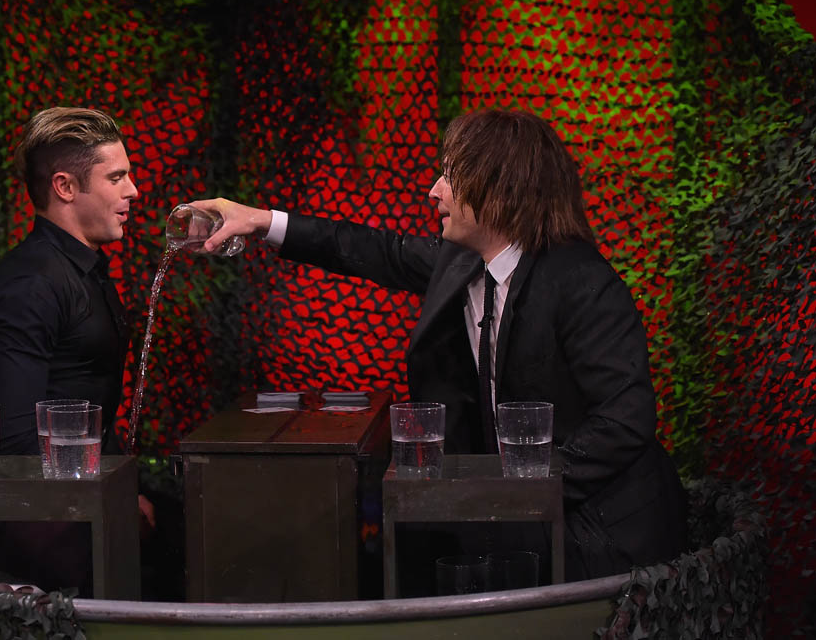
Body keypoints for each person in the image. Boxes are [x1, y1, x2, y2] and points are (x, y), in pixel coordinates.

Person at [189, 109, 687, 581]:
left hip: (599, 532)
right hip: (510, 518)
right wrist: (261, 220)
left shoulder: (583, 283)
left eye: (450, 175)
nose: (434, 191)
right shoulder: (462, 263)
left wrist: (521, 492)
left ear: (499, 188)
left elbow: (625, 420)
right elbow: (371, 249)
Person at [0, 107, 155, 595]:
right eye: (116, 177)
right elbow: (14, 440)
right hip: (47, 534)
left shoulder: (83, 269)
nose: (133, 191)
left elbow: (90, 403)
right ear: (65, 187)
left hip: (86, 506)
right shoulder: (30, 284)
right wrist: (107, 503)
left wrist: (123, 493)